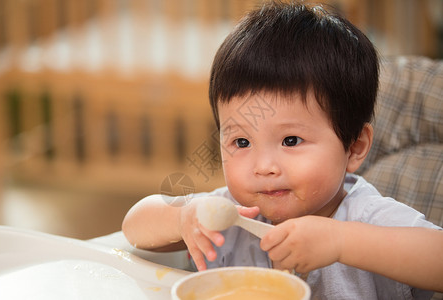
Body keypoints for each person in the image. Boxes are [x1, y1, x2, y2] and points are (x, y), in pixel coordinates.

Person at [122, 1, 443, 298]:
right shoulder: (231, 216)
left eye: (291, 141)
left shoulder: (366, 218)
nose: (264, 166)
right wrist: (183, 218)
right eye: (241, 142)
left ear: (355, 147)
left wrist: (341, 241)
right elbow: (133, 227)